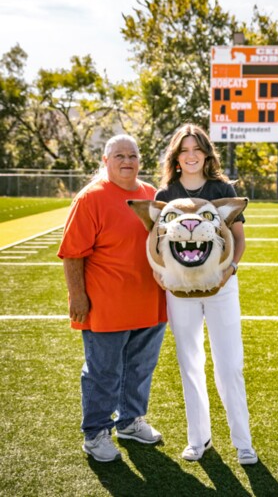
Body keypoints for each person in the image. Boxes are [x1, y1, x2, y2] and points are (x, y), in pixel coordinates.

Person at [58, 134, 167, 463]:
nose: (127, 161)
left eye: (132, 155)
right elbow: (72, 254)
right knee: (103, 372)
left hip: (150, 301)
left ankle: (131, 422)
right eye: (119, 155)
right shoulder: (90, 198)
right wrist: (77, 296)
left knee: (140, 367)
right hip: (106, 303)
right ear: (105, 162)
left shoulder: (151, 195)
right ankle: (95, 434)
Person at [155, 123, 257, 465]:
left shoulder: (221, 187)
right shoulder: (165, 194)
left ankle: (243, 441)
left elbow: (239, 238)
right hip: (181, 292)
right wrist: (162, 275)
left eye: (196, 148)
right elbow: (156, 244)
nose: (191, 155)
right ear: (176, 157)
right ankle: (198, 439)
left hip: (221, 287)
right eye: (184, 150)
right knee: (190, 363)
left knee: (229, 366)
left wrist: (230, 269)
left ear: (206, 152)